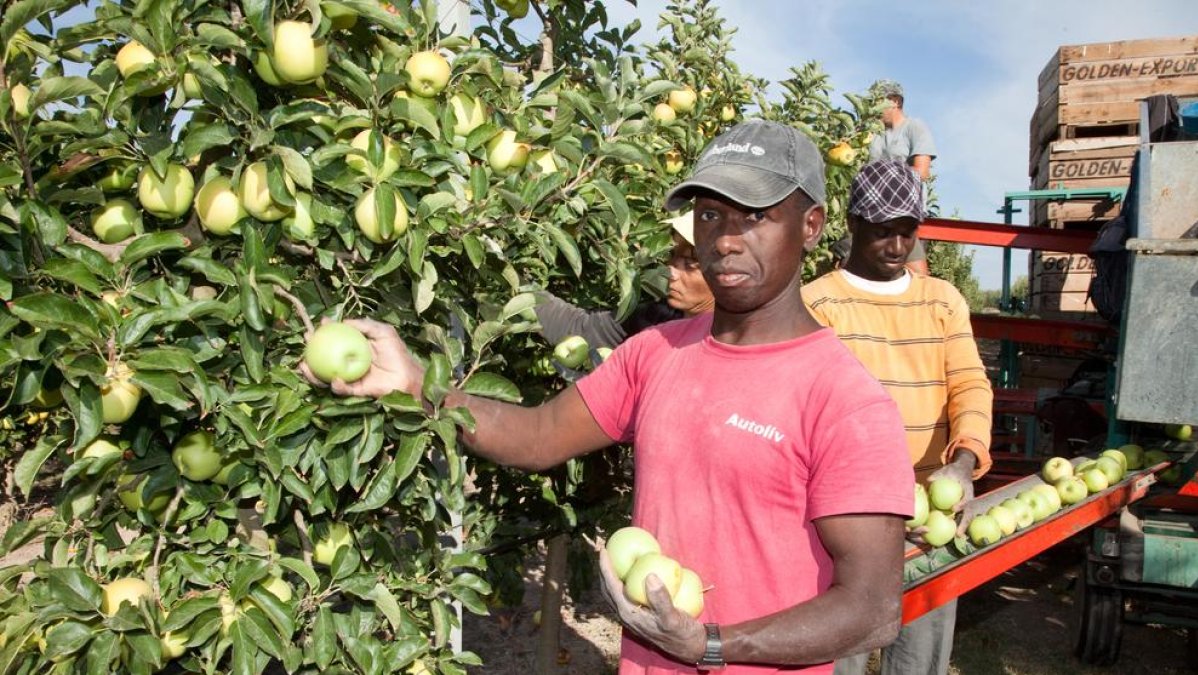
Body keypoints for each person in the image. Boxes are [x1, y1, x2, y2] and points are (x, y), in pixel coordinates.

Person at [308, 120, 916, 674]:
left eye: (753, 216)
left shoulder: (845, 401)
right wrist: (417, 387)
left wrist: (710, 643)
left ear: (810, 227)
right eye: (709, 215)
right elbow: (539, 436)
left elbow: (870, 609)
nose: (725, 240)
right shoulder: (657, 353)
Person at [802, 160, 994, 675]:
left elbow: (969, 384)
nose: (895, 247)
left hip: (935, 505)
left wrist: (965, 460)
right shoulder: (817, 305)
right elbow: (813, 420)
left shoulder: (942, 300)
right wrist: (872, 506)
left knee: (920, 657)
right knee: (837, 653)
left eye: (907, 232)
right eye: (882, 232)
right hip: (848, 515)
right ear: (852, 224)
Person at [534, 212, 715, 349]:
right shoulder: (655, 320)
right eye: (672, 254)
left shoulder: (731, 347)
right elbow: (582, 330)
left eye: (691, 263)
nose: (671, 272)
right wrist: (517, 288)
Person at [866, 80, 935, 275]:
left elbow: (922, 172)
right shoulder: (876, 134)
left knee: (915, 271)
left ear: (895, 101)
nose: (873, 108)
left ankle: (925, 303)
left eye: (877, 102)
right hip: (874, 212)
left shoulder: (914, 127)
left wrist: (885, 180)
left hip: (903, 210)